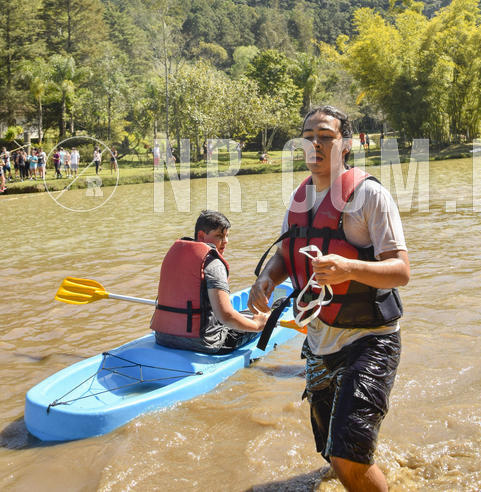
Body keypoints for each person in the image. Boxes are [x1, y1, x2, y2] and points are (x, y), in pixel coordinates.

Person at [250, 106, 410, 492]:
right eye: (308, 136)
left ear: (347, 144)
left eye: (325, 136)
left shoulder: (369, 195)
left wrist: (350, 269)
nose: (315, 144)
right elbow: (287, 257)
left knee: (347, 456)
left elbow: (401, 271)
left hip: (371, 338)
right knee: (330, 449)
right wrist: (267, 279)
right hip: (320, 343)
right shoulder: (299, 199)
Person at [151, 210, 270, 353]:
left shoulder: (173, 256)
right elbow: (226, 316)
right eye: (219, 236)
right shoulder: (213, 264)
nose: (225, 241)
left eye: (226, 236)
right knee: (265, 318)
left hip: (163, 338)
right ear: (201, 236)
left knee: (244, 315)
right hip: (204, 343)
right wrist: (257, 325)